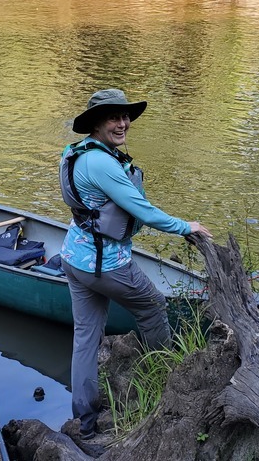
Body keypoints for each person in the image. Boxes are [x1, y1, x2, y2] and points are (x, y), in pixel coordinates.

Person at [58, 88, 212, 440]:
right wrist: (185, 227)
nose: (123, 122)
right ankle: (166, 383)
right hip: (105, 263)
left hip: (75, 257)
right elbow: (140, 209)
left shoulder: (78, 153)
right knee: (154, 307)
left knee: (86, 337)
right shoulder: (100, 162)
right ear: (96, 124)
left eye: (125, 116)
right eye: (114, 117)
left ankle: (85, 422)